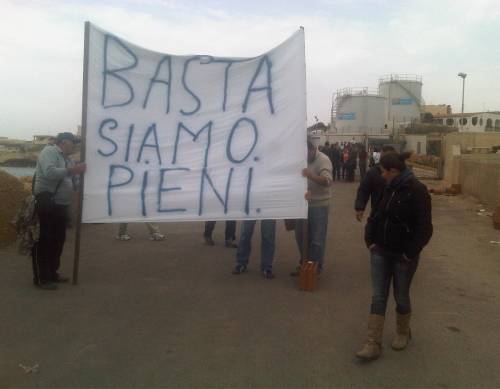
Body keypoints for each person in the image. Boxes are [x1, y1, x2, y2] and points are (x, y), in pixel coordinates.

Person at [355, 151, 433, 361]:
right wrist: (369, 240)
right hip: (380, 251)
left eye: (383, 172)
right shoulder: (388, 187)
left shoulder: (418, 191)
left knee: (401, 296)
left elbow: (425, 228)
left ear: (393, 171)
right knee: (378, 296)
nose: (381, 176)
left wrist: (410, 253)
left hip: (403, 257)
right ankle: (372, 342)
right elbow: (377, 215)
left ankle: (402, 332)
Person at [32, 132, 86, 290]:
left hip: (61, 204)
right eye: (73, 142)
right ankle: (42, 278)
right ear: (64, 142)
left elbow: (72, 180)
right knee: (45, 240)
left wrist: (78, 174)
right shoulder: (49, 152)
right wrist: (73, 170)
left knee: (58, 240)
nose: (75, 145)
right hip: (47, 201)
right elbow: (49, 173)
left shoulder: (68, 159)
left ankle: (52, 272)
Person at [291, 137, 332, 275]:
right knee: (301, 236)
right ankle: (304, 264)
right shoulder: (300, 159)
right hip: (302, 204)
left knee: (317, 239)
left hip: (319, 205)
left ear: (313, 149)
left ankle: (315, 268)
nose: (305, 156)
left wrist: (311, 175)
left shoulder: (324, 160)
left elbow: (327, 181)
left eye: (307, 153)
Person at [354, 145, 395, 222]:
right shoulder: (373, 172)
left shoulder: (400, 173)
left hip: (397, 217)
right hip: (377, 214)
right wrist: (360, 207)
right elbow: (363, 190)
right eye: (383, 157)